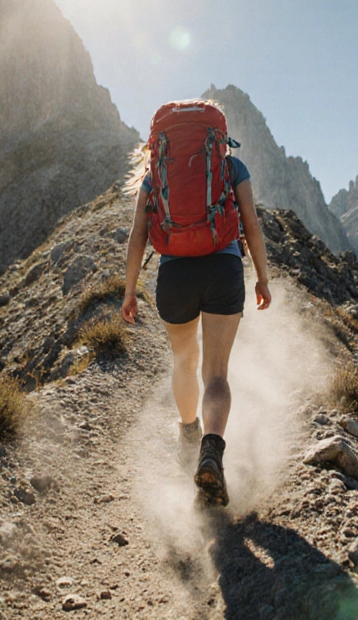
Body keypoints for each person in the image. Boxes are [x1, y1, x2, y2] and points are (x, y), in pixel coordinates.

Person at [120, 108, 272, 506]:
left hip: (175, 277)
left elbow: (138, 235)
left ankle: (189, 433)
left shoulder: (155, 178)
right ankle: (211, 449)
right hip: (223, 268)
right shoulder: (231, 167)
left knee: (184, 362)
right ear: (216, 137)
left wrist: (129, 290)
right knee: (216, 374)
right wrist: (262, 279)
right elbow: (251, 226)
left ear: (160, 143)